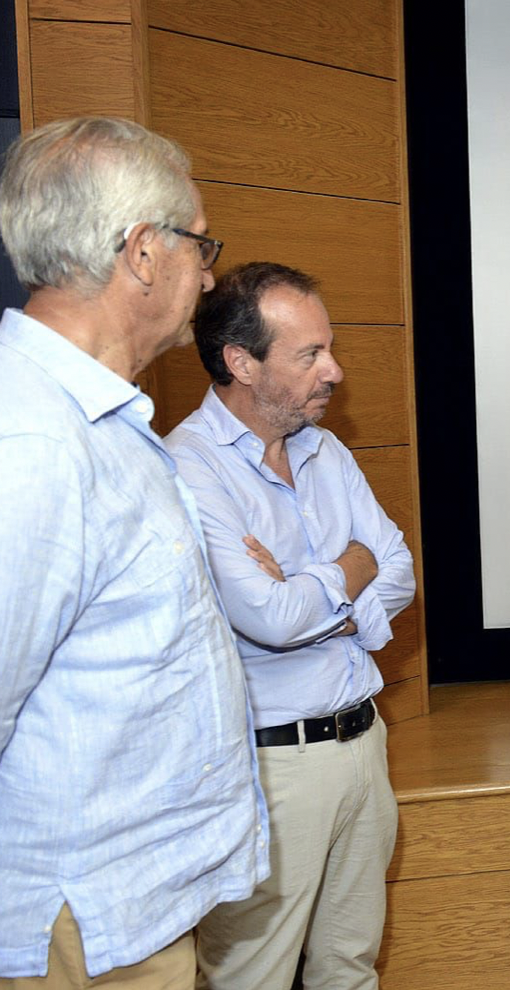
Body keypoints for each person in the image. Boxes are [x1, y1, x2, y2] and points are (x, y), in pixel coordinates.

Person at [0, 117, 267, 986]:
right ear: (143, 253)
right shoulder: (33, 440)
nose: (211, 271)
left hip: (132, 913)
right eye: (200, 243)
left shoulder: (98, 424)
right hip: (78, 929)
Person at [165, 262, 415, 990]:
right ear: (242, 362)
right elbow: (268, 619)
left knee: (350, 969)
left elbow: (397, 567)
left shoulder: (324, 448)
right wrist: (347, 575)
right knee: (254, 977)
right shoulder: (190, 466)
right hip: (270, 769)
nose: (333, 370)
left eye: (328, 348)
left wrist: (313, 593)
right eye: (310, 354)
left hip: (364, 745)